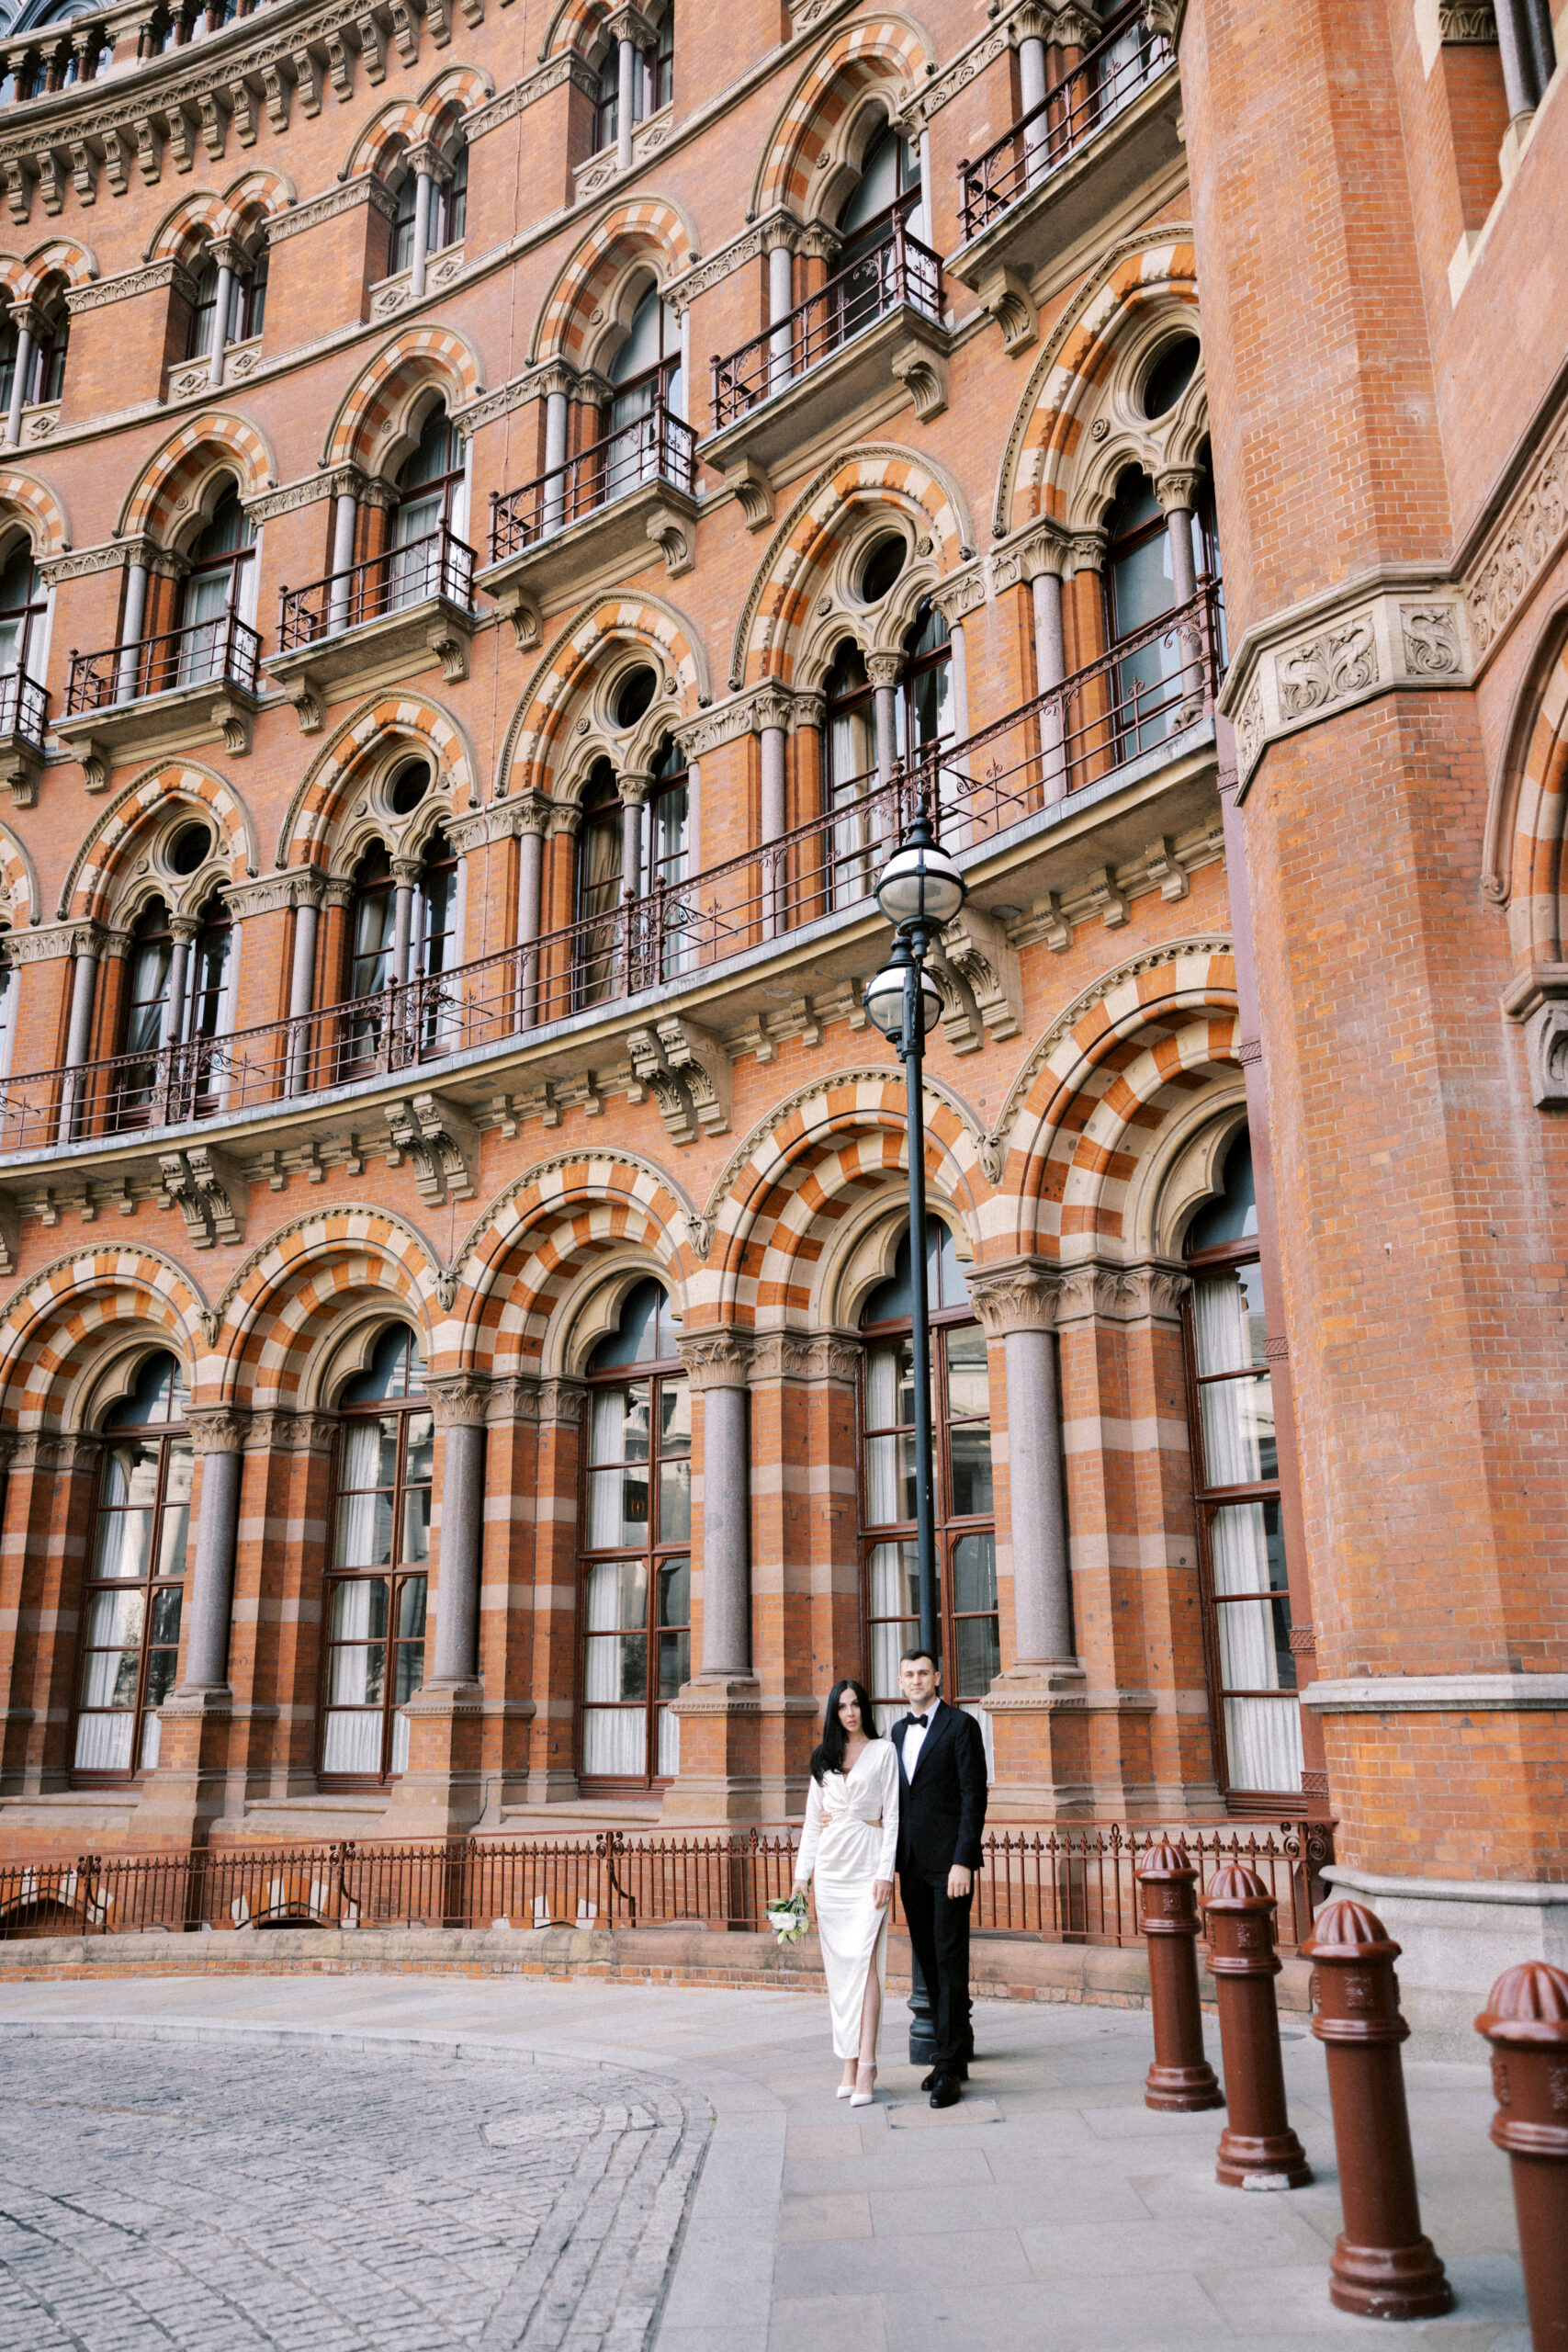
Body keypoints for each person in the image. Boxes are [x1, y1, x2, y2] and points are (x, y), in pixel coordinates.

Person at [792, 1678, 899, 2106]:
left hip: (868, 1869)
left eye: (856, 1705)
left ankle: (868, 2064)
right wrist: (803, 1877)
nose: (850, 1712)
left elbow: (892, 1817)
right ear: (834, 1713)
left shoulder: (883, 1752)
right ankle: (848, 2062)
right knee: (840, 1974)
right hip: (832, 1875)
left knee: (866, 1965)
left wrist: (886, 1873)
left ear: (865, 1709)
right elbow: (811, 1822)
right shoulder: (823, 1759)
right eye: (842, 1706)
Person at [890, 1645, 987, 2108]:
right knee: (929, 1962)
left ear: (938, 1678)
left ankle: (949, 2066)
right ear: (900, 1682)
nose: (915, 1680)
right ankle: (956, 2047)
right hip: (909, 1864)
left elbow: (973, 1798)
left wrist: (963, 1861)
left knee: (950, 1959)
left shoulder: (962, 1726)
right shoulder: (895, 1732)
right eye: (908, 1674)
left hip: (949, 1866)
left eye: (923, 1673)